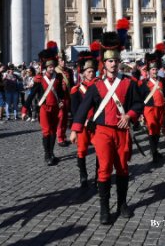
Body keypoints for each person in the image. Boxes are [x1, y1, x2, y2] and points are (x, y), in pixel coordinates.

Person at [70, 19, 143, 225]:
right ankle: (104, 207)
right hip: (102, 131)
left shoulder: (129, 83)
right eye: (109, 61)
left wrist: (129, 115)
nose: (113, 64)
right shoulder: (96, 85)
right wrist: (76, 129)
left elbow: (138, 104)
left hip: (121, 132)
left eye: (116, 60)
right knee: (104, 169)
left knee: (122, 169)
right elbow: (83, 109)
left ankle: (122, 204)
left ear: (119, 61)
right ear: (104, 62)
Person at [23, 49, 64, 166]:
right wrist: (25, 109)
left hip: (55, 108)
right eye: (49, 66)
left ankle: (51, 153)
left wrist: (61, 100)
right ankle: (47, 154)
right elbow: (31, 95)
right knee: (46, 131)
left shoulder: (58, 77)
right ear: (46, 67)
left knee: (53, 132)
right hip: (44, 108)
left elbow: (60, 92)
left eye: (53, 66)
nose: (51, 68)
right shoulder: (40, 79)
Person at [70, 50, 98, 188]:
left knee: (100, 149)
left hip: (96, 123)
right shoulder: (76, 90)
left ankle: (99, 174)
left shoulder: (100, 87)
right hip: (83, 124)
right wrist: (83, 122)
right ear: (82, 73)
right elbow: (74, 110)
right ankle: (83, 174)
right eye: (88, 71)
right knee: (81, 150)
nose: (91, 73)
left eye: (93, 71)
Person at [139, 44, 165, 163]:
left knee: (157, 130)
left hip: (160, 108)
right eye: (152, 69)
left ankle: (155, 150)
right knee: (152, 129)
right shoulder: (144, 83)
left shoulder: (162, 81)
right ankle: (154, 153)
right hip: (149, 109)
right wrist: (140, 113)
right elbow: (140, 99)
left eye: (156, 69)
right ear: (149, 71)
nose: (154, 71)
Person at [55, 47, 74, 147]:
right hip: (60, 98)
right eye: (61, 60)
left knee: (66, 118)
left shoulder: (69, 71)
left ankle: (63, 136)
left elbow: (72, 84)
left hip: (68, 97)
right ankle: (59, 138)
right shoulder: (56, 71)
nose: (63, 62)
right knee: (61, 118)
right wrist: (58, 100)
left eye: (64, 60)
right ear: (58, 61)